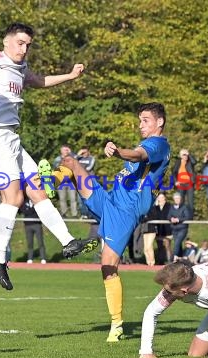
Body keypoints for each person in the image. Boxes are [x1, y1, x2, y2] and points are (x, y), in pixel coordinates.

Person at [0, 22, 98, 290]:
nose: (24, 49)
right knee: (14, 197)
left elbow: (38, 81)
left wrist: (69, 76)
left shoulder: (21, 68)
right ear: (6, 41)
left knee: (38, 190)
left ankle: (68, 241)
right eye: (20, 43)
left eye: (28, 45)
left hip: (12, 138)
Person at [56, 102, 170, 343]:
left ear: (159, 122)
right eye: (140, 120)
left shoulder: (158, 144)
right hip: (109, 201)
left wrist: (118, 152)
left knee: (108, 266)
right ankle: (49, 184)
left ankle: (116, 324)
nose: (141, 125)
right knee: (70, 162)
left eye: (146, 120)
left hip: (125, 211)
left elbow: (138, 154)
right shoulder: (147, 142)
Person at [53, 144, 79, 217]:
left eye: (67, 150)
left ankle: (74, 214)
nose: (66, 151)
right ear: (61, 151)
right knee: (62, 198)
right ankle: (64, 213)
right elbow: (57, 167)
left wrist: (71, 154)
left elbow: (76, 161)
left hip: (71, 181)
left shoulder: (72, 157)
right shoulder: (57, 159)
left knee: (73, 198)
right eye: (65, 150)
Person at [168, 192, 192, 261]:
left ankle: (173, 258)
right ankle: (180, 258)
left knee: (177, 243)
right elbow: (168, 216)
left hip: (182, 228)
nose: (177, 200)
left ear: (180, 199)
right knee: (178, 244)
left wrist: (178, 219)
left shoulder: (184, 207)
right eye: (176, 198)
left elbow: (187, 217)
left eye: (178, 198)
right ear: (174, 199)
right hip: (174, 228)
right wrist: (171, 219)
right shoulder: (172, 207)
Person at [21, 199, 47, 264]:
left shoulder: (36, 201)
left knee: (40, 241)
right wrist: (30, 210)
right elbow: (24, 211)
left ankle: (43, 258)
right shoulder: (25, 202)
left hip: (37, 224)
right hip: (28, 225)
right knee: (30, 242)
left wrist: (30, 210)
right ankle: (30, 258)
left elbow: (38, 211)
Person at [77, 146, 96, 217]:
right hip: (80, 180)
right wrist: (78, 154)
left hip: (89, 180)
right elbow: (73, 162)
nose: (84, 154)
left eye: (85, 152)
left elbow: (89, 168)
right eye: (83, 152)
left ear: (88, 152)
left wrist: (79, 168)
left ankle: (90, 213)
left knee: (89, 197)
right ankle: (83, 213)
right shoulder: (79, 158)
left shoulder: (92, 158)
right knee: (80, 198)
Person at [154, 192, 173, 264]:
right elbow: (154, 215)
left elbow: (167, 215)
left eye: (162, 197)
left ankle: (169, 261)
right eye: (159, 197)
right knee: (160, 246)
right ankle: (160, 261)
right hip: (159, 230)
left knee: (167, 245)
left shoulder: (169, 206)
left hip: (167, 229)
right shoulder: (156, 207)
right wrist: (155, 206)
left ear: (165, 198)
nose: (160, 199)